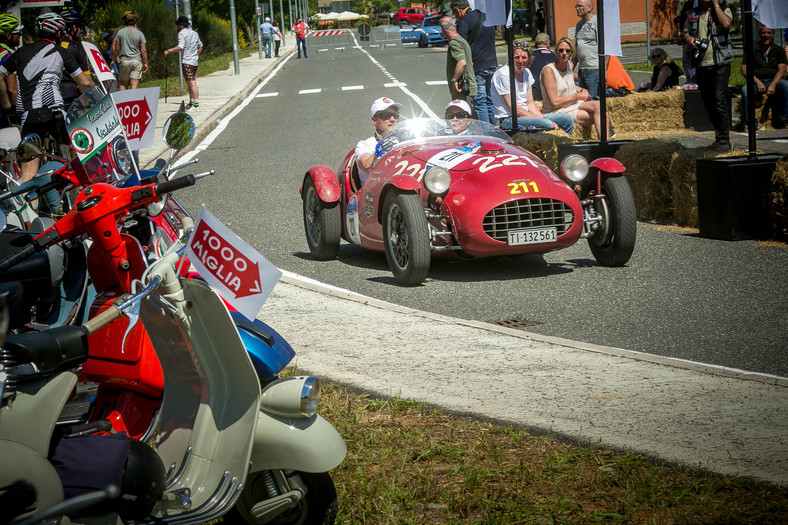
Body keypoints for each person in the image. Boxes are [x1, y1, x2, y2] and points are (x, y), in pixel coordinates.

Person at [0, 12, 94, 182]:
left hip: (29, 115)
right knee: (75, 155)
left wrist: (7, 104)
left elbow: (0, 75)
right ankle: (78, 190)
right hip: (55, 112)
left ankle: (27, 202)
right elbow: (85, 83)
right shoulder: (61, 52)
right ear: (57, 32)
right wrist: (100, 96)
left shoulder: (20, 53)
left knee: (28, 169)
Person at [491, 42, 574, 135]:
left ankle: (564, 146)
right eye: (517, 57)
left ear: (529, 59)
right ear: (511, 58)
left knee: (567, 119)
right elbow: (514, 109)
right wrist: (541, 120)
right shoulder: (503, 75)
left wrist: (542, 118)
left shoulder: (526, 72)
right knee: (546, 124)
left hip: (526, 115)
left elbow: (530, 103)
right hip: (509, 119)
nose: (520, 61)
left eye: (524, 57)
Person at [541, 38, 614, 140]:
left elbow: (567, 85)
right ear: (556, 52)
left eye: (568, 51)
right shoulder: (549, 71)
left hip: (572, 105)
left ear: (572, 53)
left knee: (599, 105)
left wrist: (581, 90)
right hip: (558, 110)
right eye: (561, 50)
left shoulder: (568, 66)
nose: (564, 53)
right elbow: (555, 102)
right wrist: (577, 96)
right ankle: (604, 144)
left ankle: (605, 143)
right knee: (603, 116)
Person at [683, 0, 733, 149]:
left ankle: (724, 140)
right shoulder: (693, 13)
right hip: (701, 63)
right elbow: (684, 32)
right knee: (709, 102)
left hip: (721, 62)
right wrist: (689, 39)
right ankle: (719, 138)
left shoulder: (723, 9)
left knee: (719, 100)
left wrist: (716, 5)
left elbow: (726, 24)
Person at [452, 0, 498, 124]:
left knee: (479, 102)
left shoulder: (465, 21)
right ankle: (496, 130)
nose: (455, 17)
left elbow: (462, 45)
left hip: (478, 66)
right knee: (490, 100)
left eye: (454, 14)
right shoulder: (486, 17)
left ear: (457, 10)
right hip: (492, 63)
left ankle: (486, 133)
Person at [740, 25, 788, 129]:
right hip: (756, 81)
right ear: (759, 34)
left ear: (773, 35)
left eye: (769, 33)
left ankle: (783, 118)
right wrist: (757, 82)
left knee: (786, 85)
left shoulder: (778, 49)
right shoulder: (751, 49)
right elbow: (744, 70)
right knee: (745, 90)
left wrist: (773, 85)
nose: (766, 35)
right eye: (763, 33)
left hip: (774, 81)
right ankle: (751, 123)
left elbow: (782, 70)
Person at [356, 97, 402, 186]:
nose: (392, 119)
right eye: (386, 116)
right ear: (374, 120)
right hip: (373, 193)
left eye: (395, 116)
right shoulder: (364, 144)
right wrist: (384, 144)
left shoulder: (406, 140)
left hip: (403, 188)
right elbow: (366, 165)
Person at [165, 16, 203, 112]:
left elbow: (180, 47)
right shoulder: (195, 33)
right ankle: (191, 102)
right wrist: (197, 55)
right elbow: (200, 46)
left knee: (192, 82)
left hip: (187, 61)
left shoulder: (181, 33)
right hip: (194, 61)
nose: (177, 26)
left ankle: (196, 105)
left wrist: (169, 50)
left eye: (177, 24)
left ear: (180, 25)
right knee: (190, 82)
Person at [440, 16, 476, 104]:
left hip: (462, 88)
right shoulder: (461, 40)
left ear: (442, 29)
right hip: (468, 86)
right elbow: (470, 62)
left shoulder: (454, 43)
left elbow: (462, 62)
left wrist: (454, 79)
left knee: (462, 115)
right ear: (455, 26)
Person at [58, 10, 90, 106]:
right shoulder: (76, 48)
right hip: (70, 96)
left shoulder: (52, 45)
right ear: (74, 28)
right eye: (79, 27)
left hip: (51, 96)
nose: (80, 31)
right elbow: (87, 81)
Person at [574, 0, 602, 100]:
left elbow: (605, 47)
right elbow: (577, 47)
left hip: (594, 68)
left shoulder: (597, 22)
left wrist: (605, 69)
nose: (577, 8)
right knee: (583, 99)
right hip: (582, 69)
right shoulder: (578, 25)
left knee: (594, 98)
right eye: (576, 6)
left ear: (589, 8)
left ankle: (602, 116)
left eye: (580, 6)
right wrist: (570, 67)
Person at [113, 12, 147, 90]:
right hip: (136, 60)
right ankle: (132, 100)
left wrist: (114, 59)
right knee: (134, 83)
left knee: (122, 83)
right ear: (135, 21)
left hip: (124, 60)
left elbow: (117, 49)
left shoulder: (120, 32)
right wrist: (145, 63)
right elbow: (143, 50)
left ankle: (123, 101)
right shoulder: (140, 33)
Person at [0, 14, 21, 129]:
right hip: (4, 112)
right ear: (8, 36)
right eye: (17, 33)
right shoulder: (8, 55)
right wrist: (16, 112)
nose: (20, 35)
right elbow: (12, 89)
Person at [528, 33, 556, 101]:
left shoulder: (529, 57)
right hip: (552, 96)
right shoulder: (555, 56)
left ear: (535, 45)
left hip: (534, 96)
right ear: (548, 44)